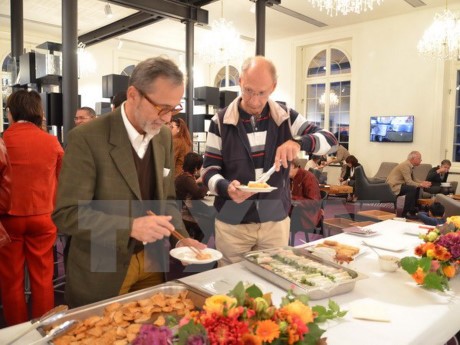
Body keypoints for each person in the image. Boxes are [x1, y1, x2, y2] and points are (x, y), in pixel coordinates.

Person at [52, 57, 205, 308]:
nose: (167, 119)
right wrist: (130, 228)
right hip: (103, 264)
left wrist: (181, 239)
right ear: (133, 95)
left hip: (153, 260)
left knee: (150, 330)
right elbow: (67, 214)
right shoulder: (87, 138)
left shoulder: (163, 137)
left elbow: (166, 201)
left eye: (173, 109)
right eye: (161, 108)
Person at [202, 55, 338, 266]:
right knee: (230, 282)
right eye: (248, 90)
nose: (254, 100)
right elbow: (209, 170)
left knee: (276, 279)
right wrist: (226, 187)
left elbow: (330, 140)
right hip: (232, 223)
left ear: (273, 87)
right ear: (240, 82)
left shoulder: (285, 116)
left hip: (275, 221)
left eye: (262, 93)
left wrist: (299, 143)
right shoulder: (220, 122)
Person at [0, 90, 64, 325]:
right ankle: (44, 329)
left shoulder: (3, 140)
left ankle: (17, 333)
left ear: (11, 112)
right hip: (44, 216)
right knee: (43, 277)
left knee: (12, 280)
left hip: (9, 219)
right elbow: (62, 179)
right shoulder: (51, 141)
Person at [386, 151, 431, 219]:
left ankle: (414, 209)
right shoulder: (405, 165)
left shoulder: (409, 165)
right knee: (411, 189)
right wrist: (421, 184)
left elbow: (414, 179)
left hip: (399, 185)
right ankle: (406, 212)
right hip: (394, 186)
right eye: (419, 158)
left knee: (416, 187)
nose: (421, 160)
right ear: (413, 159)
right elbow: (409, 182)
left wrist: (423, 183)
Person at [289, 159, 322, 242]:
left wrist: (292, 199)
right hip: (294, 212)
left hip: (306, 216)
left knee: (276, 224)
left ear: (292, 165)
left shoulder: (308, 177)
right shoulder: (289, 179)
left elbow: (314, 202)